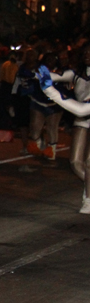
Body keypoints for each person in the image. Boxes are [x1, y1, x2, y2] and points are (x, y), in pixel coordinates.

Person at [46, 47, 90, 212]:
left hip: (84, 111)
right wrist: (38, 75)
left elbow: (81, 109)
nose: (87, 55)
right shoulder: (76, 74)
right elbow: (56, 76)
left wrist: (50, 91)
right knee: (75, 162)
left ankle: (88, 199)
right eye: (85, 52)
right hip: (82, 118)